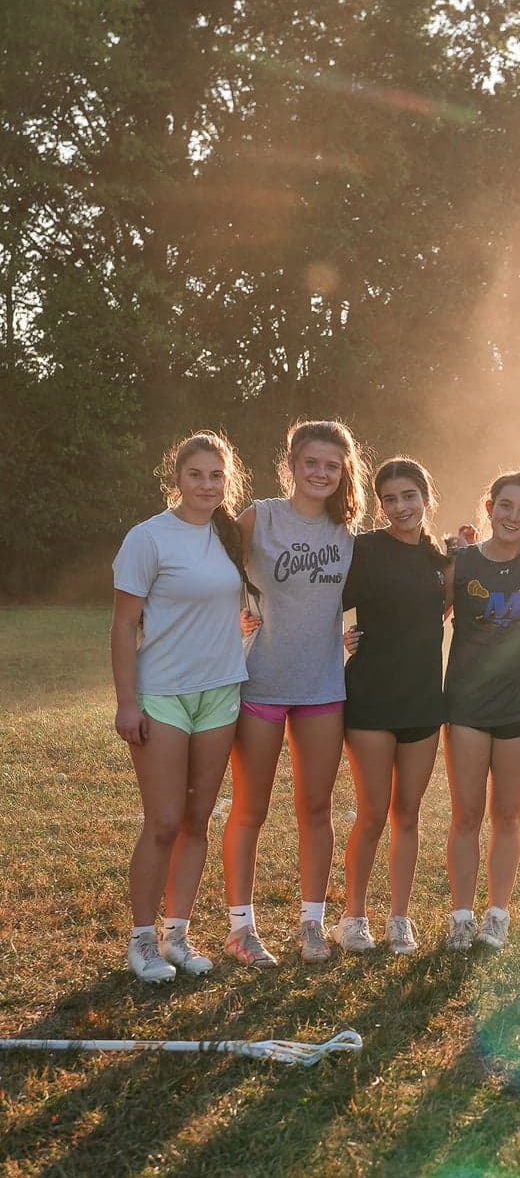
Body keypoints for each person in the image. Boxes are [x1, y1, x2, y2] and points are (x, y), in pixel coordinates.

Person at [221, 419, 371, 966]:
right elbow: (211, 572)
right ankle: (241, 929)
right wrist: (232, 616)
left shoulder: (347, 535)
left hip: (322, 685)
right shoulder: (260, 517)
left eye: (332, 465)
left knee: (315, 807)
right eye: (311, 462)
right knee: (251, 807)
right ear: (291, 464)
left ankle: (313, 923)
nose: (320, 473)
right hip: (261, 681)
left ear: (344, 472)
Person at [111, 432, 256, 982]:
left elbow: (227, 603)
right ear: (177, 478)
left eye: (216, 476)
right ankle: (142, 941)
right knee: (165, 821)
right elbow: (123, 625)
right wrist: (127, 702)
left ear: (227, 482)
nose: (207, 485)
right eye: (196, 474)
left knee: (197, 821)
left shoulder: (229, 536)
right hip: (162, 695)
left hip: (220, 692)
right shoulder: (148, 538)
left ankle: (177, 936)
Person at [332, 459, 453, 957]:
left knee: (408, 813)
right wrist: (339, 637)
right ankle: (353, 917)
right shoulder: (364, 550)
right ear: (380, 504)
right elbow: (320, 603)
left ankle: (399, 919)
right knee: (373, 812)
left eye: (409, 496)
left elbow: (450, 608)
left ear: (426, 497)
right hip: (371, 697)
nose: (400, 507)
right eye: (390, 499)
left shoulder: (441, 559)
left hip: (423, 701)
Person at [441, 464, 520, 950]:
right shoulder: (461, 562)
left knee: (507, 814)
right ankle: (461, 916)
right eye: (505, 506)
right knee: (466, 815)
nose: (513, 517)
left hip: (518, 703)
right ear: (489, 508)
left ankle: (497, 915)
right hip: (467, 704)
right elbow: (424, 614)